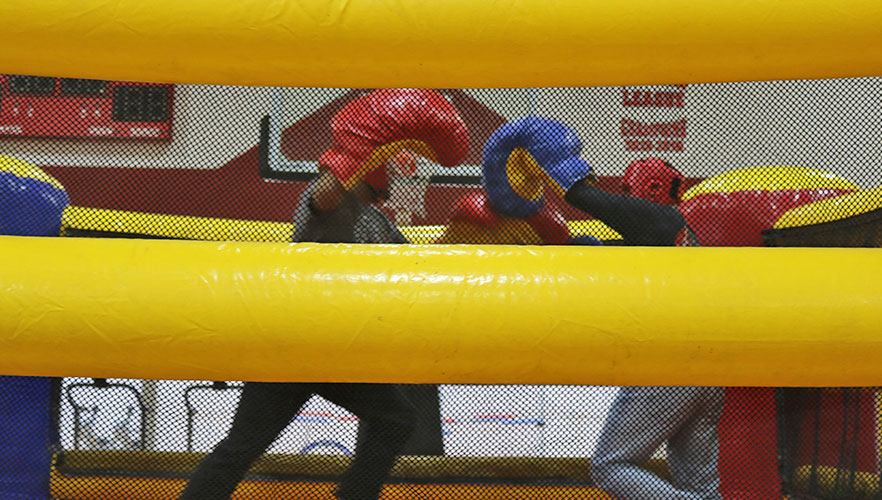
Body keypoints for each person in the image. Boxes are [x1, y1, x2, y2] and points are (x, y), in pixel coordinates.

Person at [177, 88, 469, 500]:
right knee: (241, 448)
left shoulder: (379, 223)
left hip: (335, 350)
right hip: (293, 345)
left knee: (396, 418)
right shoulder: (328, 201)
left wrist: (469, 240)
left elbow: (419, 266)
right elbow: (323, 198)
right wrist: (352, 154)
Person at [494, 116, 723, 499]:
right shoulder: (665, 240)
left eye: (628, 193)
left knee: (611, 465)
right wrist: (540, 228)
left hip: (671, 366)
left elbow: (589, 199)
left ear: (642, 191)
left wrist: (550, 163)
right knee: (699, 486)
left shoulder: (662, 221)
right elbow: (592, 251)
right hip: (709, 370)